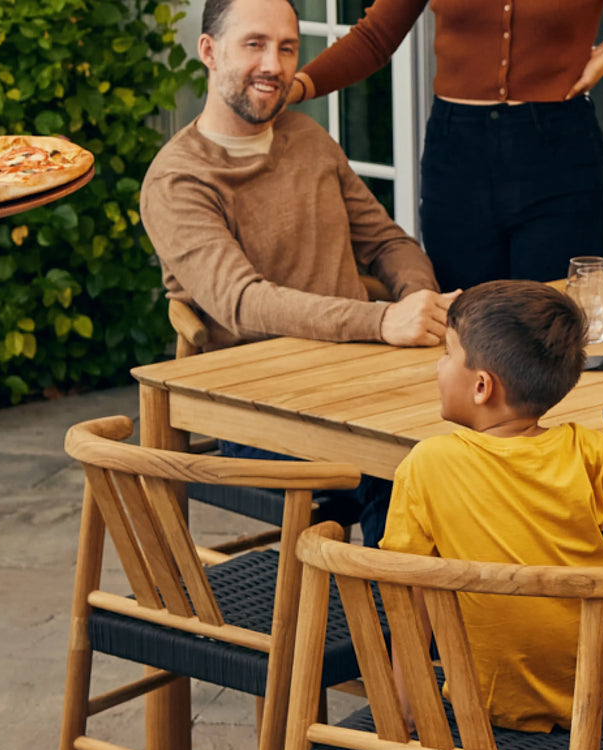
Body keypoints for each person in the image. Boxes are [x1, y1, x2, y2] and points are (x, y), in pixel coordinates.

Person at [142, 0, 456, 548]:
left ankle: (488, 619)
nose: (274, 64)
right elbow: (244, 303)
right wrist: (382, 320)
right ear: (209, 52)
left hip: (358, 382)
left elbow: (386, 242)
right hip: (261, 409)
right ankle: (398, 628)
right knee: (419, 465)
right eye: (254, 44)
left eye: (287, 48)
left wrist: (420, 301)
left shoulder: (308, 140)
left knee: (495, 435)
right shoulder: (179, 180)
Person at [379, 280, 603, 732]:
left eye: (446, 354)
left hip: (474, 701)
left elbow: (408, 595)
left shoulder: (426, 465)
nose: (439, 366)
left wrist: (406, 708)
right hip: (586, 696)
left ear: (482, 386)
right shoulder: (587, 452)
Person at [286, 0, 603, 289]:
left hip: (558, 150)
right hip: (457, 155)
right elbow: (376, 36)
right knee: (468, 325)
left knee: (550, 329)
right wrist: (298, 87)